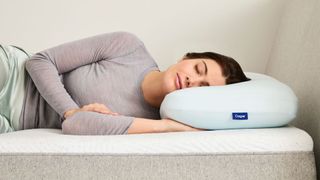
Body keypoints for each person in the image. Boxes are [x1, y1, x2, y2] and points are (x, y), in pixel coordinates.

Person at [0, 31, 250, 135]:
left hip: (14, 125)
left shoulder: (149, 124)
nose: (192, 80)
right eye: (198, 68)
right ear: (185, 57)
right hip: (13, 75)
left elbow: (76, 126)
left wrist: (167, 127)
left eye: (203, 87)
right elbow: (40, 62)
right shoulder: (128, 47)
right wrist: (70, 110)